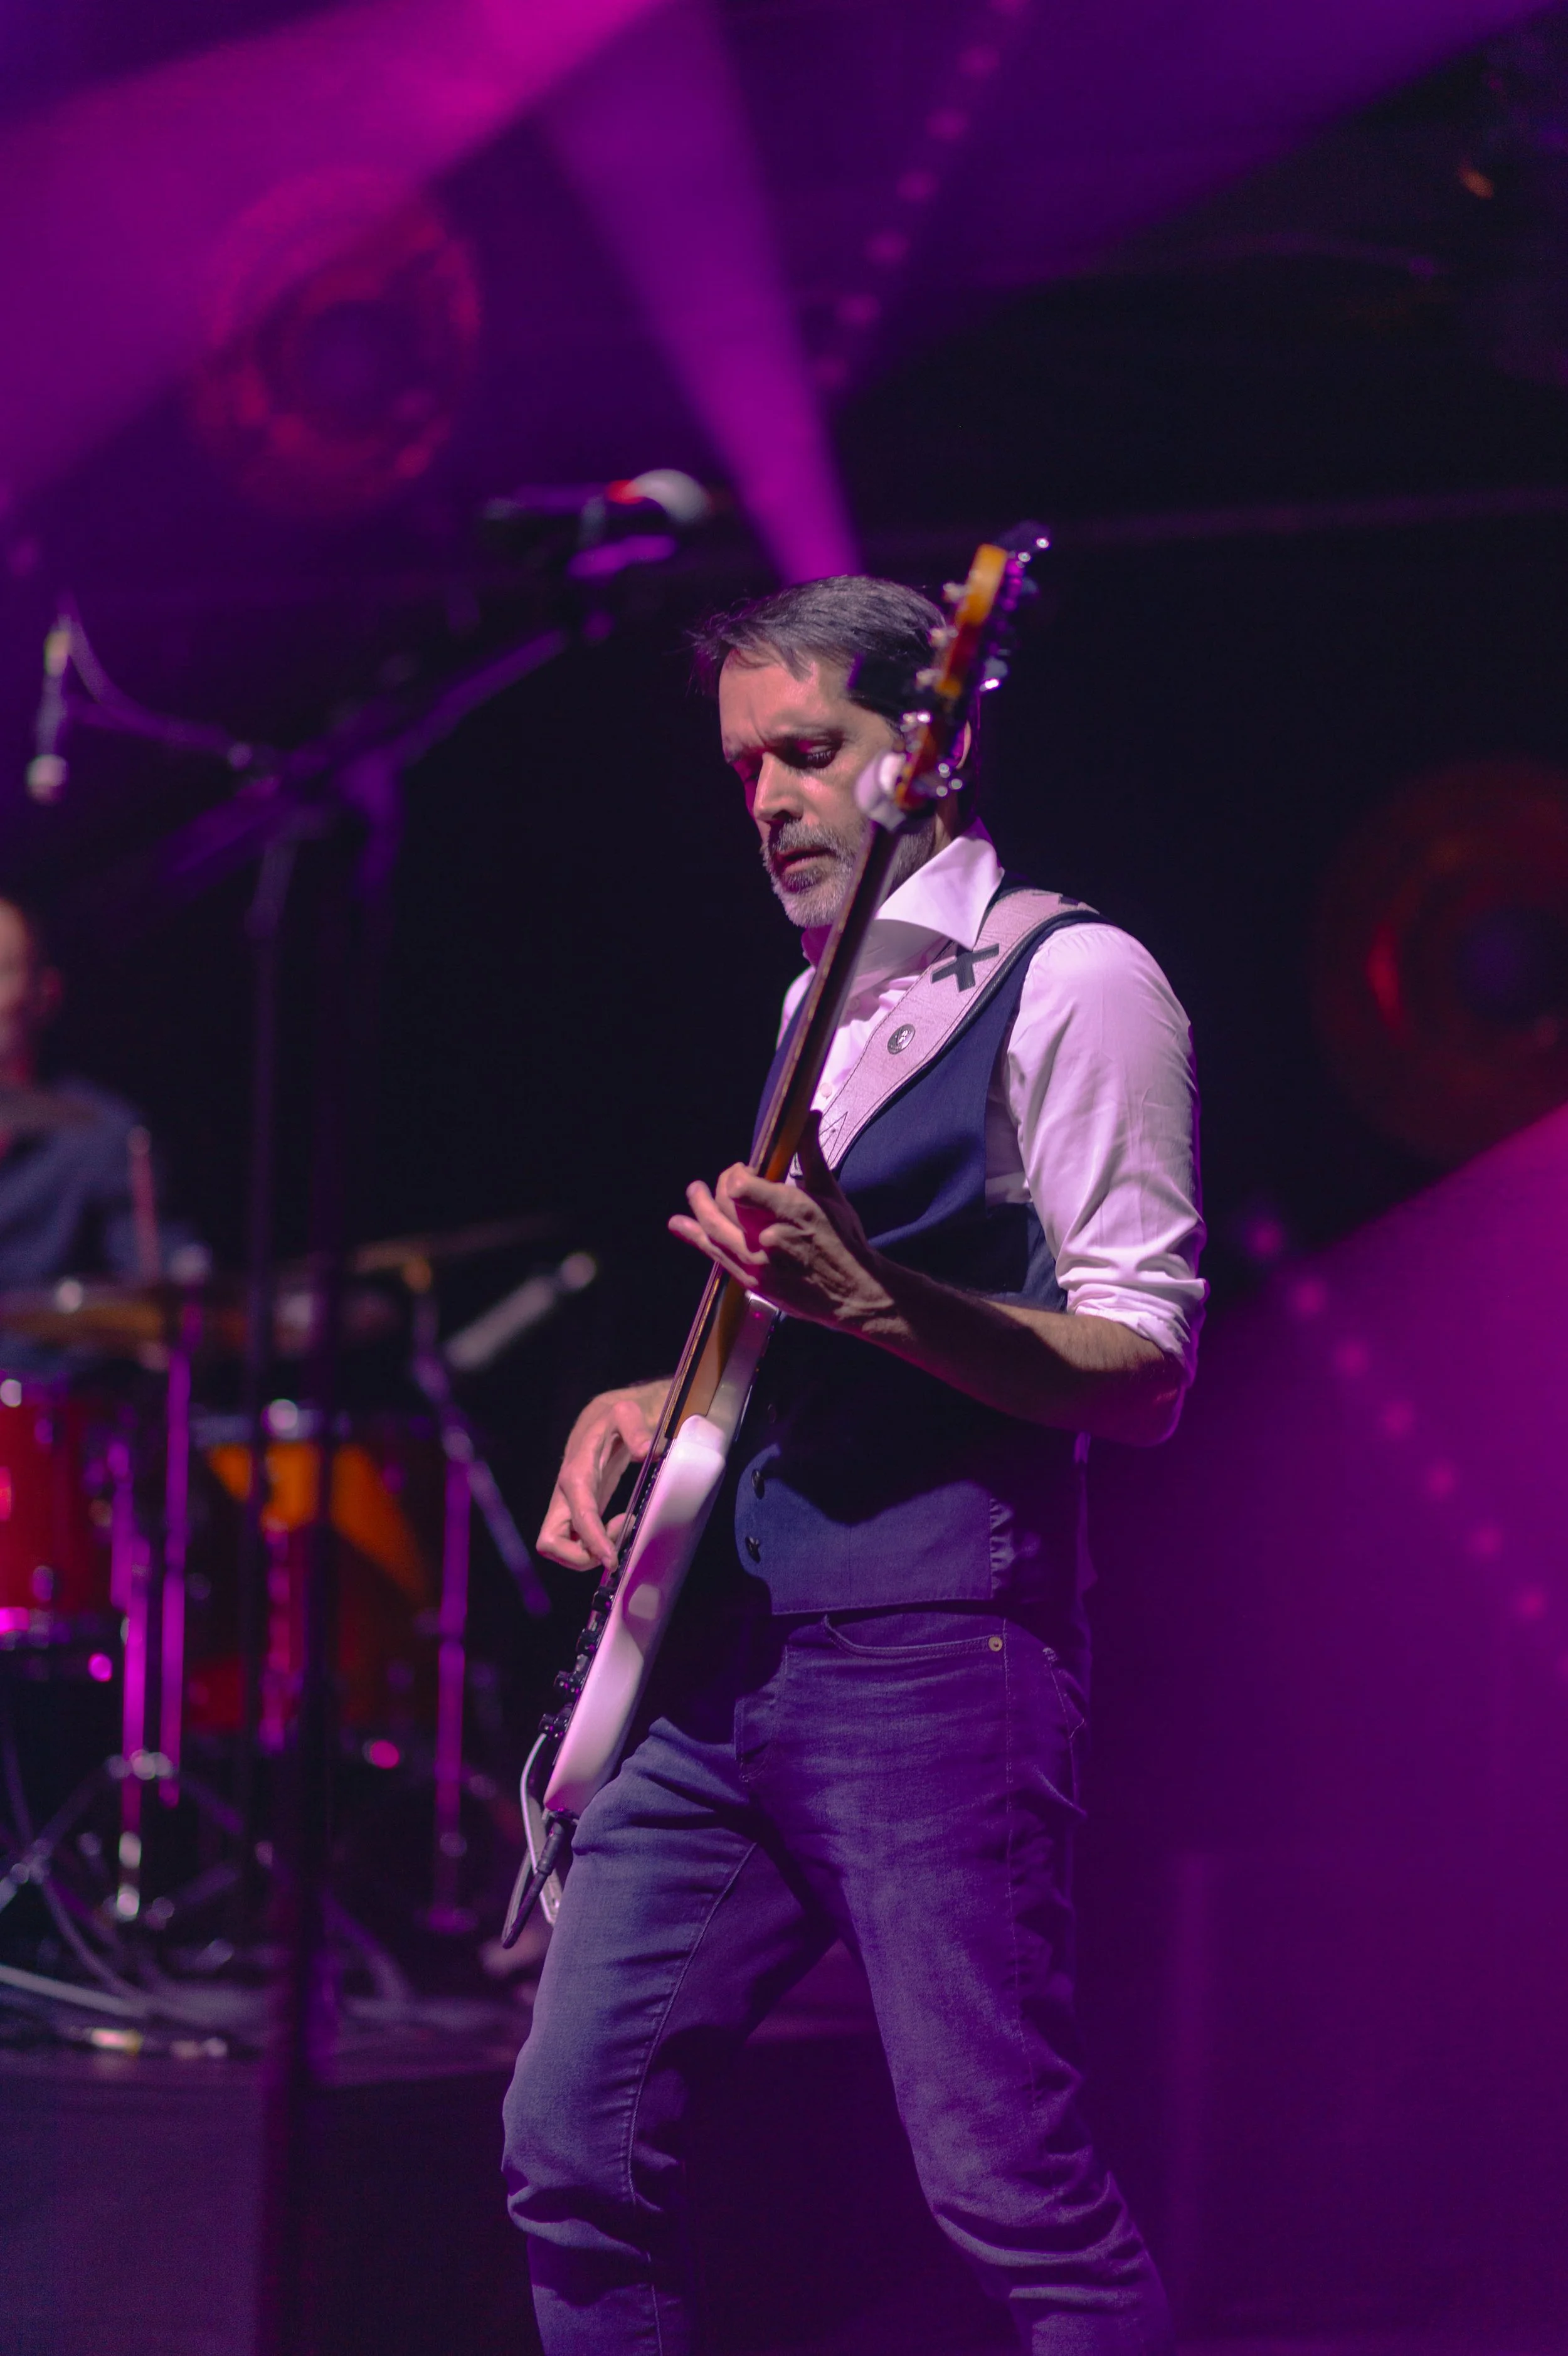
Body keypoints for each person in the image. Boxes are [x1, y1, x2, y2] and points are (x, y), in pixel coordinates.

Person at [502, 575, 1205, 2355]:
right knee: (570, 2148)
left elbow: (1145, 1369)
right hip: (720, 1667)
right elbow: (787, 1331)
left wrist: (877, 1298)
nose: (767, 801)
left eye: (807, 752)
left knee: (1009, 2191)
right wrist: (650, 1406)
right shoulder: (813, 1004)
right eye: (743, 767)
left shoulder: (1077, 978)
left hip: (929, 1659)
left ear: (931, 748)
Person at [0, 896, 201, 1366]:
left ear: (43, 994)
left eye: (2, 970)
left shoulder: (101, 1135)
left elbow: (161, 1281)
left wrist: (187, 1293)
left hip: (41, 1398)